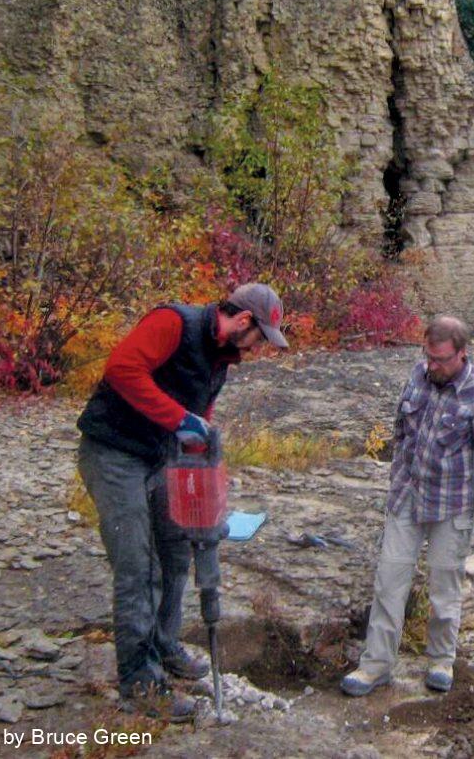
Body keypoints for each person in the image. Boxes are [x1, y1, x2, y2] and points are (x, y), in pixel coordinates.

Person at [75, 283, 288, 720]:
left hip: (158, 458)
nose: (258, 348)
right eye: (259, 337)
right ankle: (140, 682)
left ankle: (164, 645)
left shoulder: (221, 359)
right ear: (244, 321)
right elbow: (122, 369)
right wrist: (177, 419)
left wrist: (205, 487)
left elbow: (200, 420)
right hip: (113, 454)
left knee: (175, 553)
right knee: (138, 567)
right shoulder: (173, 322)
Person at [341, 315, 474, 696]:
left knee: (444, 591)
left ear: (462, 354)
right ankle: (376, 666)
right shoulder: (418, 376)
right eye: (428, 356)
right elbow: (401, 432)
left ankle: (440, 661)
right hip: (407, 499)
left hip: (454, 507)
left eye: (441, 360)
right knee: (389, 584)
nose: (432, 365)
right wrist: (397, 478)